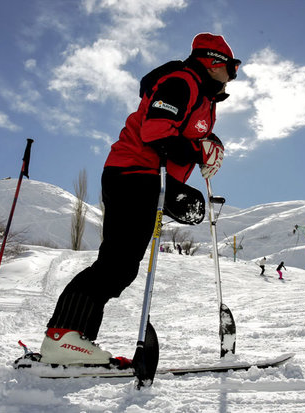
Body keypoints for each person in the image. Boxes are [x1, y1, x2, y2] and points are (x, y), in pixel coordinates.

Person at [40, 33, 241, 365]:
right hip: (134, 173)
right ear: (212, 62)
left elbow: (188, 134)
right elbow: (156, 130)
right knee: (117, 263)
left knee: (121, 266)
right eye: (231, 67)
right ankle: (62, 336)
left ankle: (75, 342)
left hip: (149, 178)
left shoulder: (204, 99)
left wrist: (209, 143)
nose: (233, 76)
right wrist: (197, 149)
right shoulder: (182, 81)